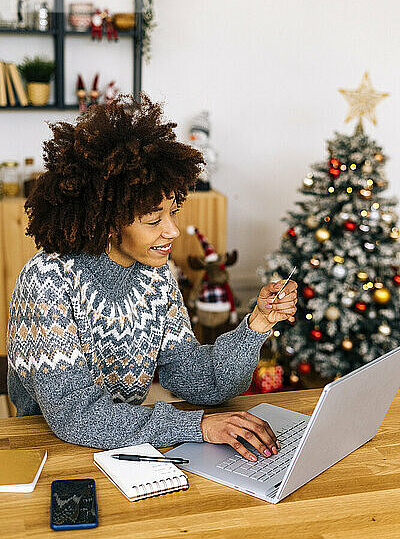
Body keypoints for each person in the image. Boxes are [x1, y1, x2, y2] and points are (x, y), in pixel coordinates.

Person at [7, 94, 298, 463]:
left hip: (126, 447)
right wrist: (197, 426)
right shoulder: (48, 279)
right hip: (51, 452)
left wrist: (257, 324)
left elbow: (199, 381)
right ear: (108, 221)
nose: (173, 231)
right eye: (153, 220)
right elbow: (74, 416)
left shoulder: (155, 274)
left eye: (173, 213)